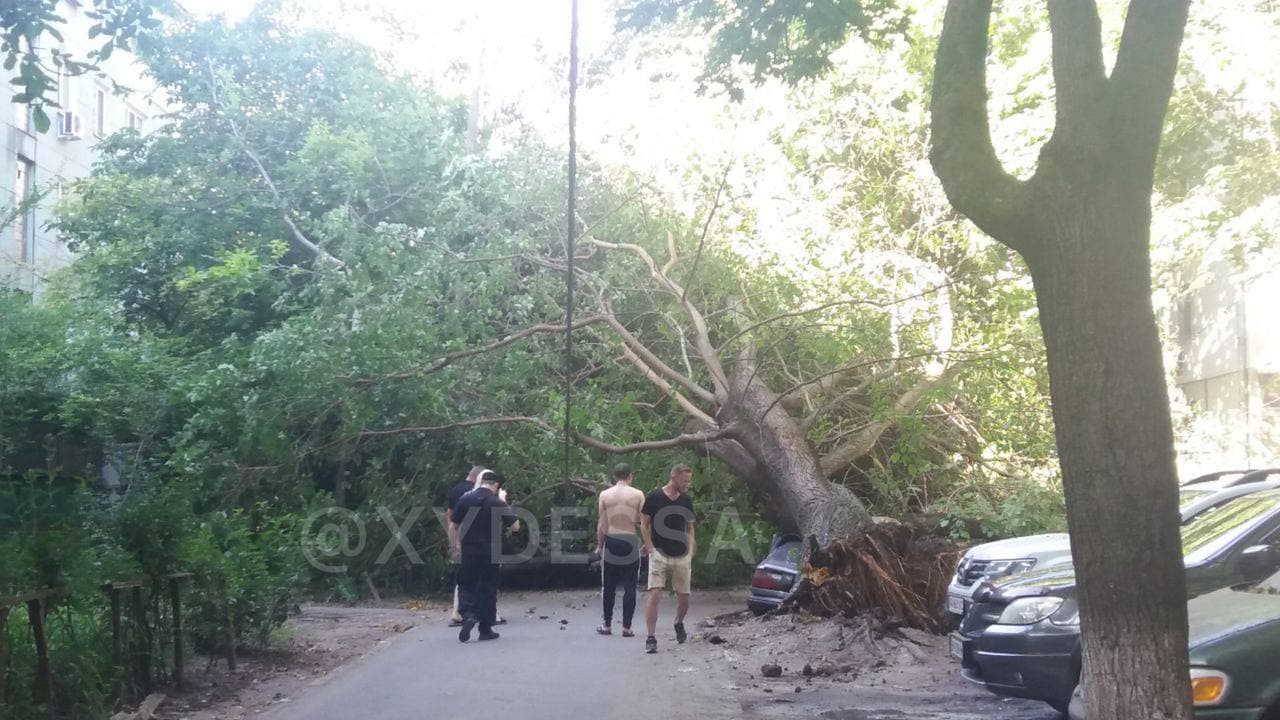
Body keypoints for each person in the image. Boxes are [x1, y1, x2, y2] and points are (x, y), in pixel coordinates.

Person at [451, 469, 517, 642]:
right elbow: (515, 526)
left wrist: (455, 546)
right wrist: (503, 501)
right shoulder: (496, 502)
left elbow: (453, 525)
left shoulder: (465, 499)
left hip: (469, 550)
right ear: (495, 486)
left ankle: (468, 615)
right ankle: (485, 629)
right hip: (491, 551)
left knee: (465, 584)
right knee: (488, 587)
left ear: (481, 483)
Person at [640, 464, 695, 654]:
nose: (687, 484)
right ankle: (651, 637)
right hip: (659, 553)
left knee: (684, 598)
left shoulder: (686, 500)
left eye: (689, 481)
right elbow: (644, 524)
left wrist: (690, 548)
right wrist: (649, 547)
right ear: (674, 476)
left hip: (681, 554)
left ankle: (678, 622)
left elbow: (690, 527)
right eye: (685, 480)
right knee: (655, 593)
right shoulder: (655, 497)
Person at [595, 463, 645, 637]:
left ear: (615, 477)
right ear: (630, 476)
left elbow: (602, 524)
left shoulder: (605, 495)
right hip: (630, 539)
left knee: (608, 585)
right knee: (630, 585)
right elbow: (644, 522)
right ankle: (626, 627)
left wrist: (600, 546)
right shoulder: (638, 494)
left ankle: (607, 625)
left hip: (613, 539)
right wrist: (647, 543)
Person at [446, 465, 486, 626]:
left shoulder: (454, 491)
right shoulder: (480, 493)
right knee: (482, 575)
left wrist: (452, 540)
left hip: (458, 537)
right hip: (477, 539)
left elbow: (449, 516)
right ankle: (481, 612)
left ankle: (458, 612)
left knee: (461, 576)